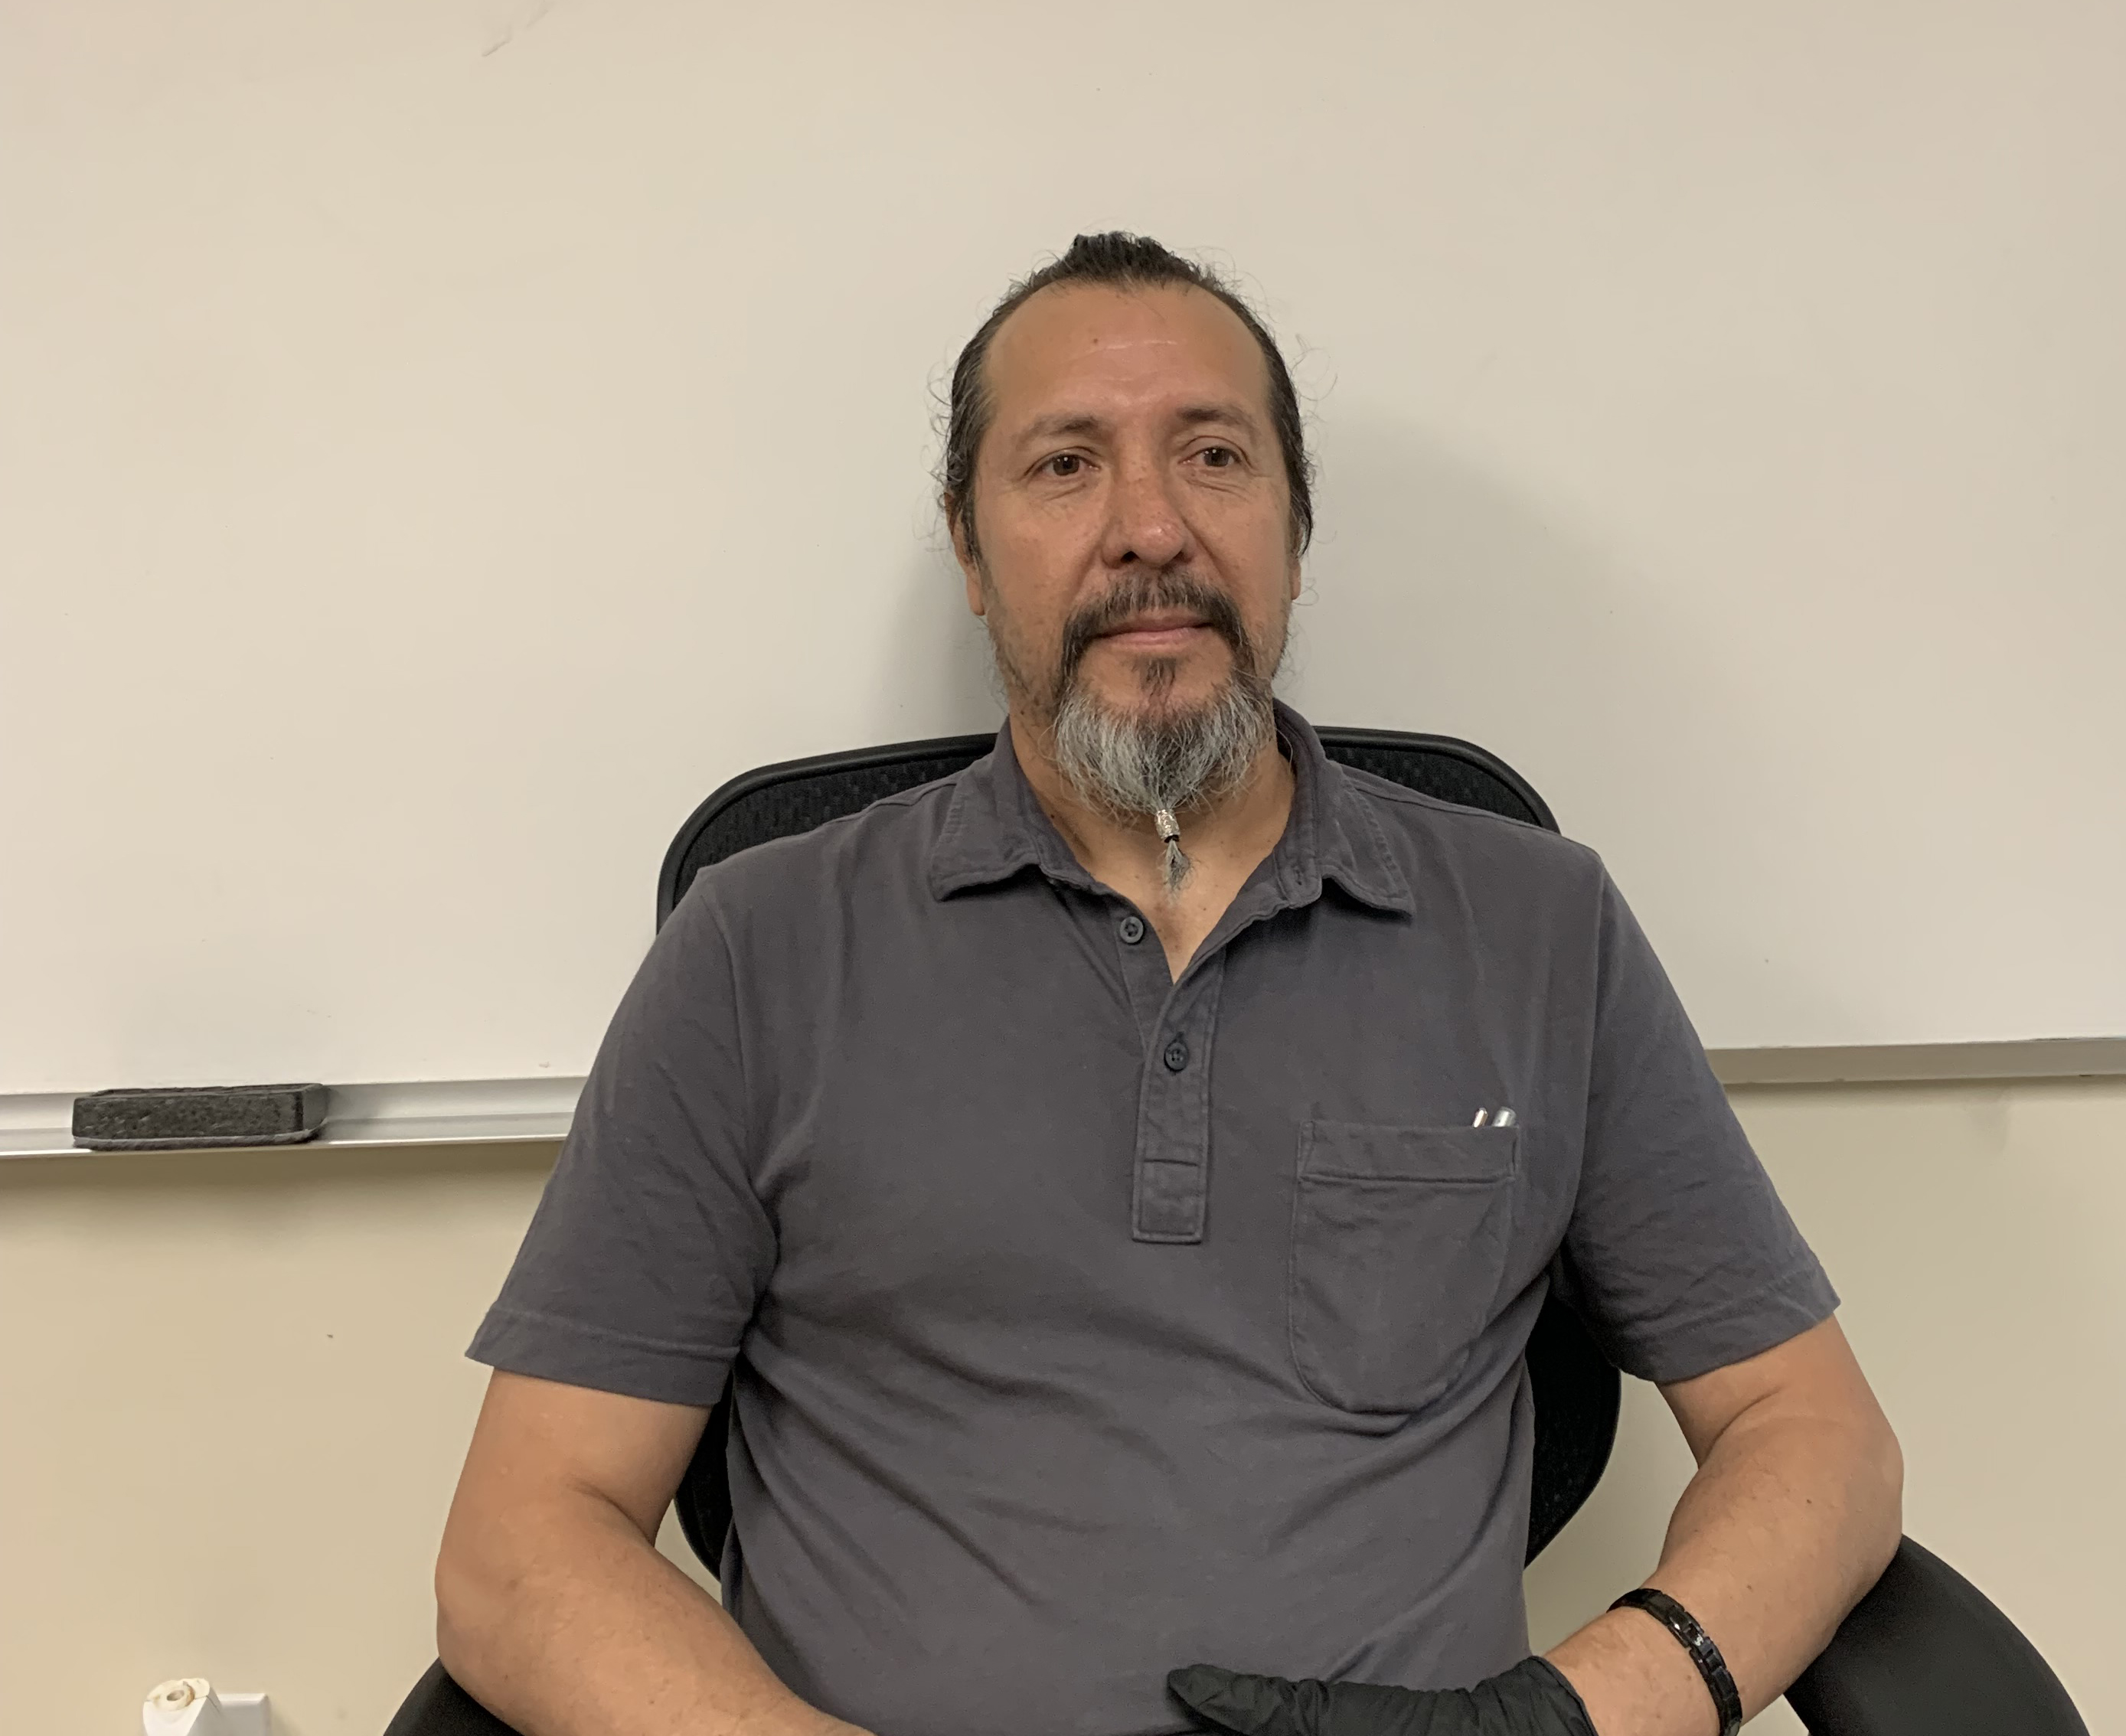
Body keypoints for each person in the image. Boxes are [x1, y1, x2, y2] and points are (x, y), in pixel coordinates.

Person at [433, 233, 1902, 1736]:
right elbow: (519, 1546)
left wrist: (1581, 1718)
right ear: (969, 550)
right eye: (1066, 466)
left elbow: (1815, 1433)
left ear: (1293, 531)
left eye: (1213, 456)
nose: (1150, 528)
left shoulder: (1541, 929)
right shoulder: (760, 947)